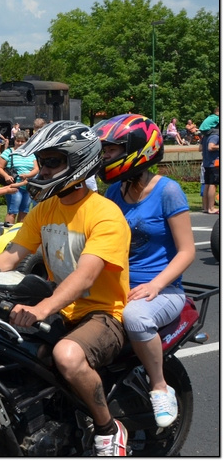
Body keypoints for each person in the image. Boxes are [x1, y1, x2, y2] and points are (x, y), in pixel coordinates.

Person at [0, 120, 130, 456]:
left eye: (53, 161)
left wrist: (42, 309)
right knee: (2, 346)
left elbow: (85, 277)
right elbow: (11, 256)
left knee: (67, 356)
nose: (42, 169)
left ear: (79, 162)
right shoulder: (45, 209)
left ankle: (107, 428)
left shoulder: (105, 214)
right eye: (41, 162)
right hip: (60, 308)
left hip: (101, 314)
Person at [93, 113, 195, 429]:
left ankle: (160, 386)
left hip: (164, 291)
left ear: (138, 150)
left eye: (111, 150)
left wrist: (155, 285)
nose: (105, 157)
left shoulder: (168, 191)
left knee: (137, 316)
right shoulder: (112, 194)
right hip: (119, 286)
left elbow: (187, 250)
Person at [0, 129, 39, 224]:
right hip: (14, 186)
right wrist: (6, 176)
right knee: (12, 211)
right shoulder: (8, 152)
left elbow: (36, 169)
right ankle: (8, 232)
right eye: (17, 141)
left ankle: (20, 233)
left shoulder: (30, 153)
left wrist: (27, 175)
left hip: (27, 187)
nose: (19, 143)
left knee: (24, 211)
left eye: (22, 141)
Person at [201, 125, 219, 214]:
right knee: (213, 184)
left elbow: (200, 148)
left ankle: (206, 207)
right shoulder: (215, 136)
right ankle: (211, 208)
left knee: (207, 184)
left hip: (206, 163)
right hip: (214, 163)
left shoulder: (206, 136)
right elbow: (211, 147)